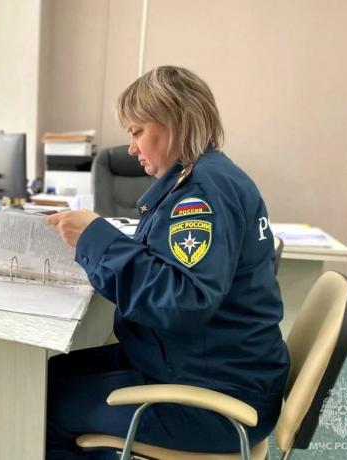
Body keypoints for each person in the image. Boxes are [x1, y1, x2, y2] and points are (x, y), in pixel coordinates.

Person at [44, 66, 289, 458]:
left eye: (137, 131)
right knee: (44, 376)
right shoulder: (202, 179)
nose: (131, 148)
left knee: (41, 406)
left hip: (215, 396)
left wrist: (96, 238)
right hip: (208, 366)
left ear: (176, 122)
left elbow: (183, 301)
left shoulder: (201, 193)